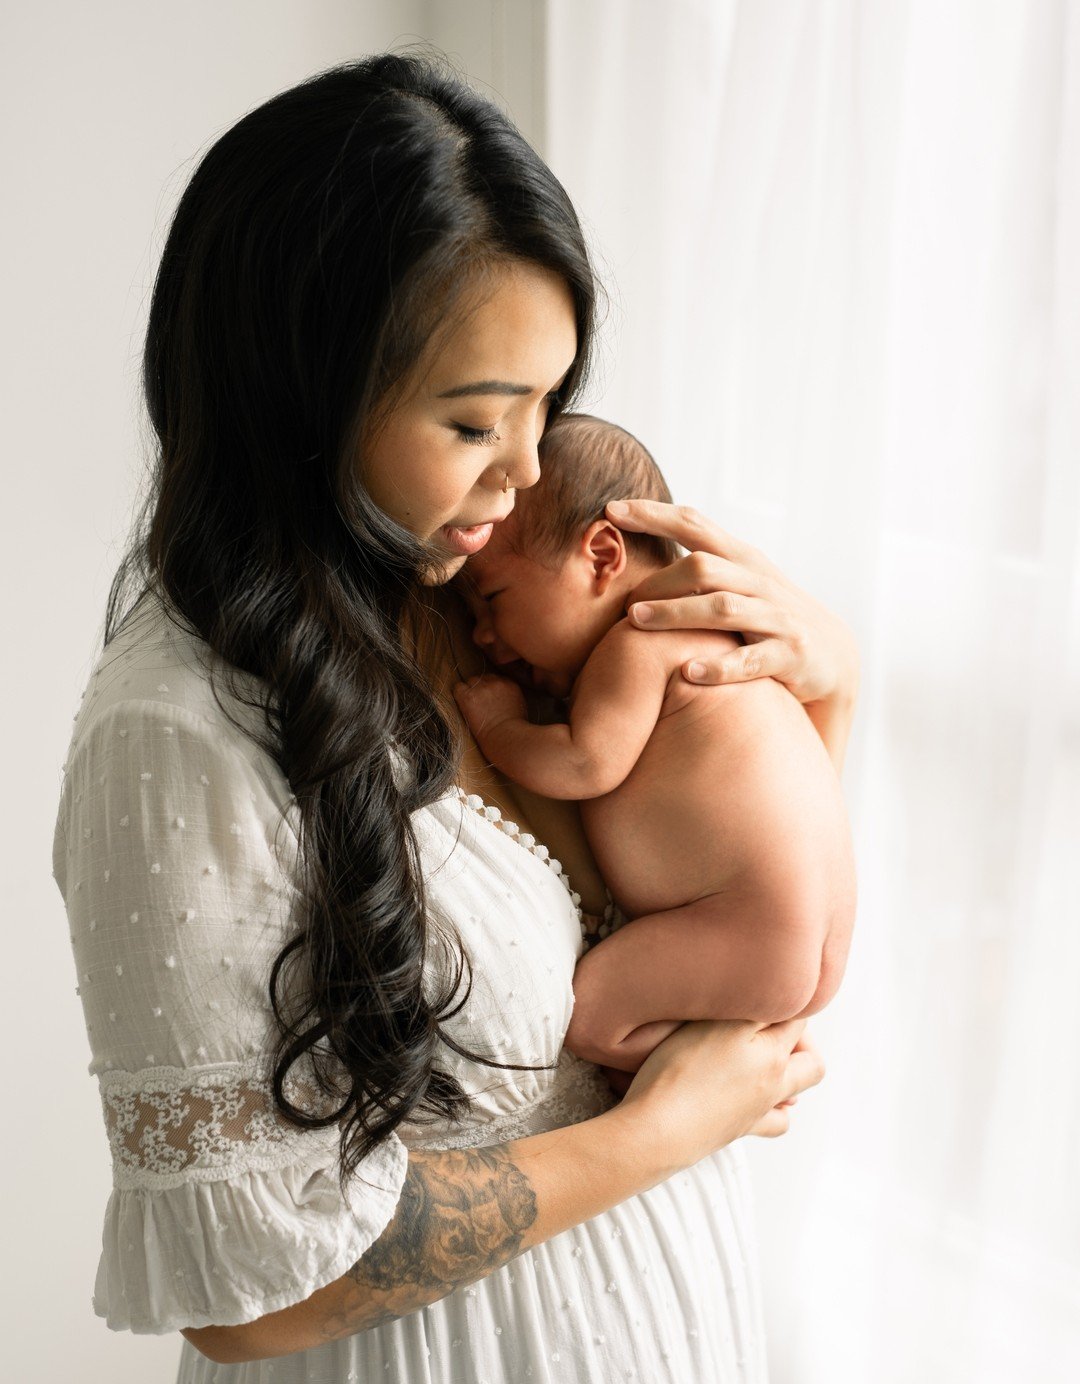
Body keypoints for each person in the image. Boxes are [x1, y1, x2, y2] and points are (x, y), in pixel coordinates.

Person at [52, 55, 856, 1380]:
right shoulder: (179, 735)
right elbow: (252, 1293)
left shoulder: (481, 609)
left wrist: (822, 698)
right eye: (475, 419)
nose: (529, 472)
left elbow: (741, 930)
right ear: (303, 401)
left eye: (549, 404)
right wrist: (666, 1130)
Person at [455, 413, 857, 1073]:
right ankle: (732, 1058)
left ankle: (702, 1081)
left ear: (603, 556)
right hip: (809, 939)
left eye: (493, 598)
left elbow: (586, 763)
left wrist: (501, 730)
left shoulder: (639, 639)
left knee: (589, 1020)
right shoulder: (723, 644)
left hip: (742, 925)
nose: (482, 636)